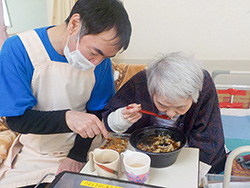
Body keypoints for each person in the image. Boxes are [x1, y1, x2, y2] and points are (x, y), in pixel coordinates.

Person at [0, 0, 131, 187]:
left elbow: (96, 112)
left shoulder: (101, 63)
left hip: (86, 147)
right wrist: (68, 118)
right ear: (74, 24)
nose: (96, 62)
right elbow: (16, 119)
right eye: (94, 52)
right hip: (39, 152)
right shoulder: (19, 49)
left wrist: (76, 155)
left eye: (105, 57)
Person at [102, 52, 226, 174]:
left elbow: (208, 139)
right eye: (162, 105)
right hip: (142, 155)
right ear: (151, 91)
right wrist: (122, 119)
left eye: (180, 107)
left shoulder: (204, 87)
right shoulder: (141, 83)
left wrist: (187, 171)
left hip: (185, 156)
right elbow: (109, 123)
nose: (171, 114)